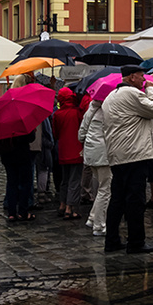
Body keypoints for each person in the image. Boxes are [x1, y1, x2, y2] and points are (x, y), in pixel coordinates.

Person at [102, 66, 153, 254]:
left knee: (117, 200)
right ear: (132, 77)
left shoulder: (110, 97)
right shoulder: (132, 94)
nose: (144, 80)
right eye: (142, 77)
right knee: (135, 200)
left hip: (118, 155)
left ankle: (112, 240)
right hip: (135, 154)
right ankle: (136, 241)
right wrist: (151, 89)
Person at [77, 92, 111, 237]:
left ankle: (92, 218)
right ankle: (99, 225)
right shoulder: (107, 112)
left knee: (102, 187)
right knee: (105, 189)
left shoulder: (90, 109)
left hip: (90, 153)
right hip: (103, 154)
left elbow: (80, 134)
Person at [52, 87, 84, 221]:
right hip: (76, 150)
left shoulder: (57, 114)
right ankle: (70, 208)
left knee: (64, 179)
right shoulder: (77, 112)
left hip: (63, 150)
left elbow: (56, 134)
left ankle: (62, 204)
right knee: (75, 180)